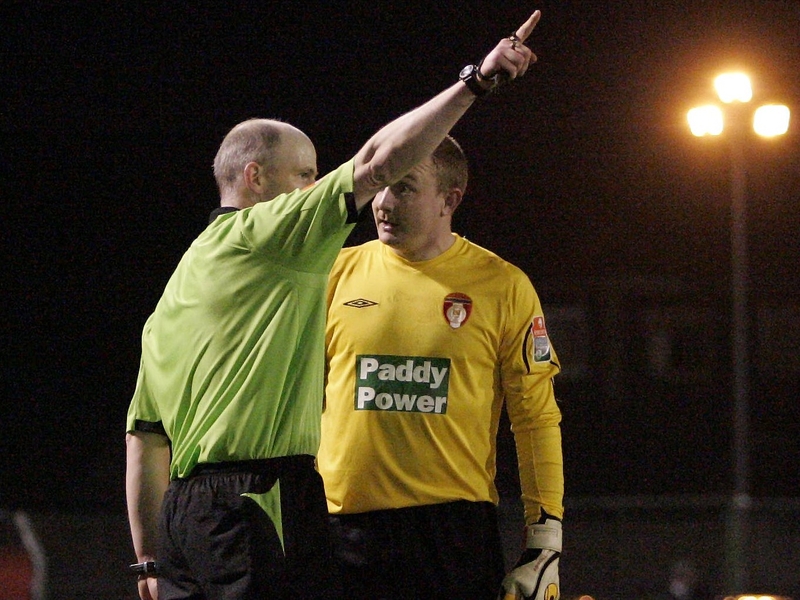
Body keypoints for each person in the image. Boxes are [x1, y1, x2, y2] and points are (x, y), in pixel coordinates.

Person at [125, 7, 542, 600]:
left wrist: (148, 560)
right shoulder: (272, 236)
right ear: (255, 178)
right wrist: (474, 82)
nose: (313, 189)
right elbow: (377, 162)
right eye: (305, 175)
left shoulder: (179, 287)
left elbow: (144, 440)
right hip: (258, 500)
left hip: (180, 521)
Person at [318, 24, 562, 600]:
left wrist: (545, 542)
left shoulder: (503, 285)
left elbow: (534, 418)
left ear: (450, 199)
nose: (382, 202)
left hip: (451, 533)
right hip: (342, 531)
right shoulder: (334, 272)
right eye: (381, 186)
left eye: (403, 188)